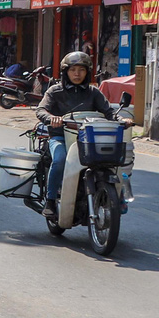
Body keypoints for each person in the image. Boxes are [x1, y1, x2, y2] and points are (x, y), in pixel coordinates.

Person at [36, 51, 114, 217]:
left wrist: (121, 119)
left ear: (87, 72)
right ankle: (50, 200)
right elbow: (41, 110)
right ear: (66, 72)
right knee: (60, 159)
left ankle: (116, 199)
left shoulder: (93, 92)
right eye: (73, 70)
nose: (77, 74)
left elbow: (109, 112)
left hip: (88, 140)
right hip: (60, 137)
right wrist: (51, 118)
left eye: (81, 70)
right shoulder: (54, 91)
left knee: (109, 160)